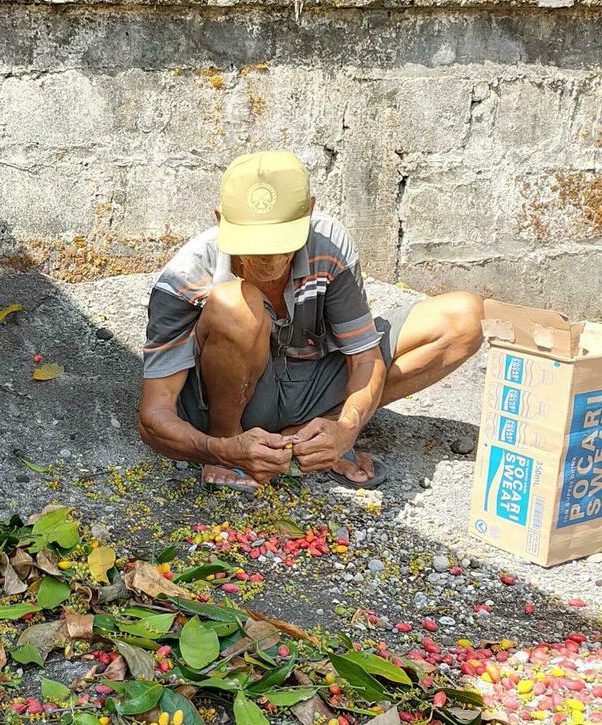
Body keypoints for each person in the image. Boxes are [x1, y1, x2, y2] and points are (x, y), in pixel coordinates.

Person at [137, 150, 483, 490]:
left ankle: (307, 438)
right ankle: (233, 442)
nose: (269, 259)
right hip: (226, 401)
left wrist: (347, 427)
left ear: (311, 213)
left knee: (463, 318)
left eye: (280, 242)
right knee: (234, 303)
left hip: (309, 383)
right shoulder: (185, 275)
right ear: (219, 220)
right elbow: (154, 416)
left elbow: (364, 358)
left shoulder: (330, 245)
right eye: (254, 244)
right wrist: (218, 449)